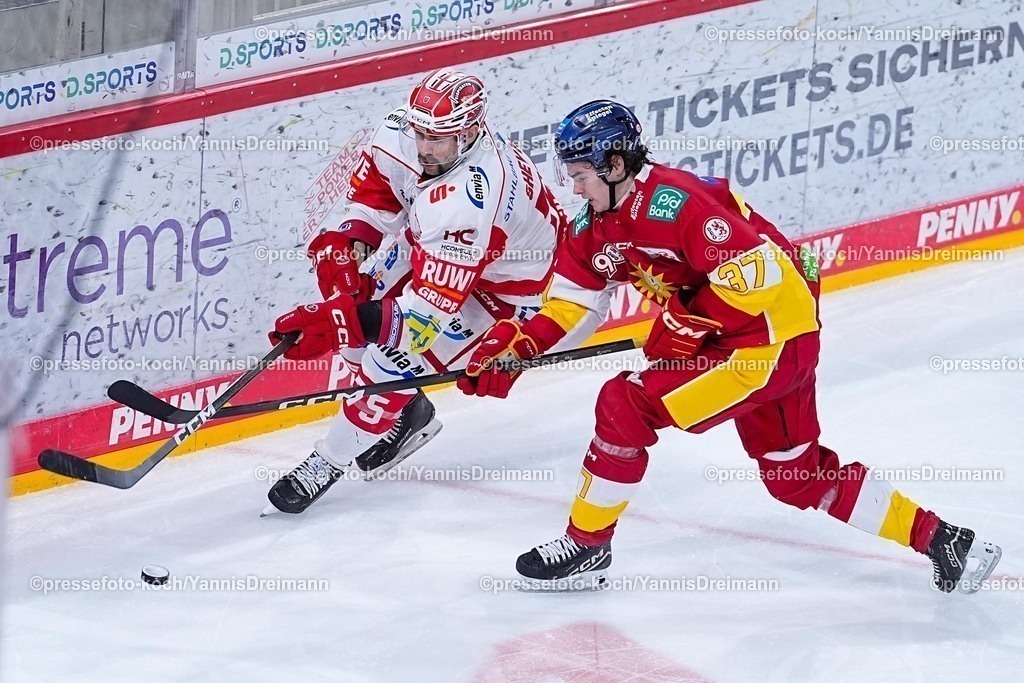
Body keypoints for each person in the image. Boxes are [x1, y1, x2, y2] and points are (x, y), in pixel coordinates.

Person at [457, 99, 1002, 593]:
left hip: (765, 343)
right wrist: (516, 348)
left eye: (580, 175)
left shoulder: (677, 203)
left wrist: (693, 322)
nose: (573, 188)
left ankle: (587, 545)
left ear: (615, 166)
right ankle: (944, 540)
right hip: (771, 345)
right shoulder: (593, 228)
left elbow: (767, 274)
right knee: (797, 476)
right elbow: (573, 304)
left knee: (624, 404)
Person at [263, 68, 572, 515]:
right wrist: (349, 252)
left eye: (439, 139)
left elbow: (423, 320)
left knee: (388, 362)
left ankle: (328, 460)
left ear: (468, 134)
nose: (425, 147)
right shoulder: (400, 134)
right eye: (421, 133)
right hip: (433, 247)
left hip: (502, 291)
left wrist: (337, 323)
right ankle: (408, 415)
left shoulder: (471, 197)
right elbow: (377, 197)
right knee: (350, 309)